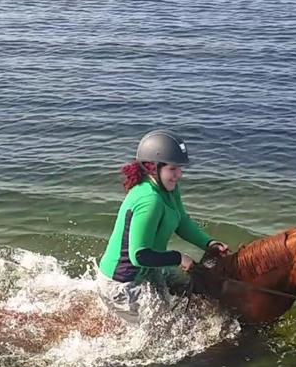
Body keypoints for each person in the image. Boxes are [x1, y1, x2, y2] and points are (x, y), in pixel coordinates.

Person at [96, 130, 229, 322]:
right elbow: (139, 255)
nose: (179, 174)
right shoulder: (150, 200)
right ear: (152, 167)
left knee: (192, 286)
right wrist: (179, 257)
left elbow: (181, 221)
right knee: (164, 330)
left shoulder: (168, 189)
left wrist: (209, 244)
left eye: (179, 169)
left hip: (149, 269)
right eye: (173, 169)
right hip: (122, 283)